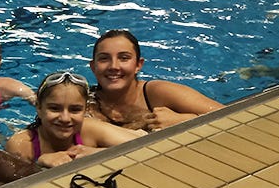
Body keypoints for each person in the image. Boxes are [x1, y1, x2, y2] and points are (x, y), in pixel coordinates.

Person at [88, 29, 222, 131]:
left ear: (138, 65)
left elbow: (232, 115)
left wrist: (183, 120)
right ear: (93, 67)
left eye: (124, 58)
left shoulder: (157, 93)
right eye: (104, 59)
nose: (114, 66)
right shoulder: (84, 103)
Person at [6, 72, 144, 167]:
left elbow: (145, 144)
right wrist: (40, 162)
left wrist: (96, 153)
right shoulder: (22, 145)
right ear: (39, 108)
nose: (65, 118)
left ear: (85, 110)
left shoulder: (89, 129)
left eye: (75, 109)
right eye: (54, 108)